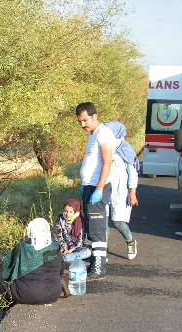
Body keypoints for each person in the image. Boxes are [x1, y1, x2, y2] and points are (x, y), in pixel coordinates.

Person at [0, 218, 68, 305]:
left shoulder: (21, 248)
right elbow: (60, 270)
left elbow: (3, 272)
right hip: (53, 294)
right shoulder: (55, 247)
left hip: (26, 295)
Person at [75, 102, 114, 280]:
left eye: (85, 120)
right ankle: (94, 263)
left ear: (94, 116)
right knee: (91, 227)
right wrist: (86, 184)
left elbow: (107, 162)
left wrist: (98, 189)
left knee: (98, 229)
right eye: (80, 122)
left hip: (99, 188)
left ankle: (99, 268)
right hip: (90, 187)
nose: (83, 125)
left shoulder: (104, 133)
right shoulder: (93, 134)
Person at [105, 120, 139, 260]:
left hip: (121, 192)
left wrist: (133, 193)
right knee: (103, 221)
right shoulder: (104, 147)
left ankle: (130, 242)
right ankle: (103, 251)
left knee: (118, 222)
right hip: (104, 189)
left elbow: (133, 173)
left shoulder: (125, 149)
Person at [54, 199, 92, 263]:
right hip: (62, 245)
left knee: (87, 252)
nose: (67, 214)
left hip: (75, 247)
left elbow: (80, 240)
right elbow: (59, 236)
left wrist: (71, 249)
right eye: (65, 211)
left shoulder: (80, 220)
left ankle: (60, 258)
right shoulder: (60, 218)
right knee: (51, 248)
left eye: (70, 212)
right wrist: (65, 248)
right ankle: (70, 257)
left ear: (76, 211)